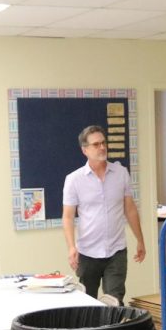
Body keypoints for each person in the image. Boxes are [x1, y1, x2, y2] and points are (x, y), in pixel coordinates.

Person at [62, 125, 145, 302]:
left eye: (103, 142)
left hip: (116, 251)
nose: (102, 147)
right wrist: (71, 247)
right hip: (87, 252)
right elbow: (68, 217)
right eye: (96, 144)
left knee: (114, 301)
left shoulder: (121, 173)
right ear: (85, 150)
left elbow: (129, 209)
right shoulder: (74, 180)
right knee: (87, 304)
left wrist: (140, 240)